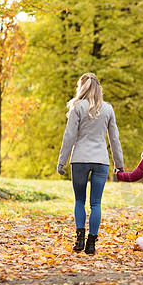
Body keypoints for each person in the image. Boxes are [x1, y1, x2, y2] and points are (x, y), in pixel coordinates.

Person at [57, 73, 124, 255]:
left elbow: (69, 136)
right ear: (98, 88)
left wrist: (61, 161)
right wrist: (120, 165)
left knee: (79, 200)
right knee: (96, 203)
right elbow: (114, 139)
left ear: (82, 87)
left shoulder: (77, 107)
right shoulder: (108, 109)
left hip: (79, 159)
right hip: (101, 160)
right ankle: (92, 244)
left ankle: (79, 239)